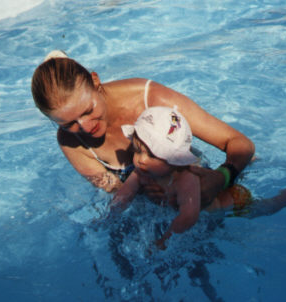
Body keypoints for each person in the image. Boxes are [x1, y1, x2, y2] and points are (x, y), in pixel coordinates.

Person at [31, 50, 255, 201]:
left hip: (200, 183)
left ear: (96, 81)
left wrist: (221, 177)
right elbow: (114, 190)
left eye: (88, 111)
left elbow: (240, 143)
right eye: (68, 123)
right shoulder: (70, 141)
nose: (85, 126)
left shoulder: (151, 99)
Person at [110, 106, 286, 249]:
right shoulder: (141, 170)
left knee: (270, 206)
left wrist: (165, 240)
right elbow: (124, 195)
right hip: (212, 202)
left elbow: (189, 217)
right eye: (138, 150)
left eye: (152, 154)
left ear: (173, 160)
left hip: (232, 202)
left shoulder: (186, 179)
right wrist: (112, 214)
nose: (140, 160)